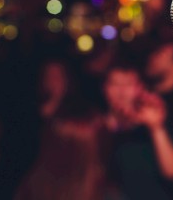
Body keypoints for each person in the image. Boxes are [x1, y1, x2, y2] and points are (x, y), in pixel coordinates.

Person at [15, 58, 108, 200]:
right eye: (49, 76)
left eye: (57, 76)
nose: (53, 81)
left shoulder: (81, 112)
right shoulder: (27, 116)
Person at [103, 60, 173, 200]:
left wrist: (157, 129)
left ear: (140, 88)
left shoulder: (153, 124)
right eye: (115, 84)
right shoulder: (97, 129)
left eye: (128, 84)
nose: (121, 91)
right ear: (105, 88)